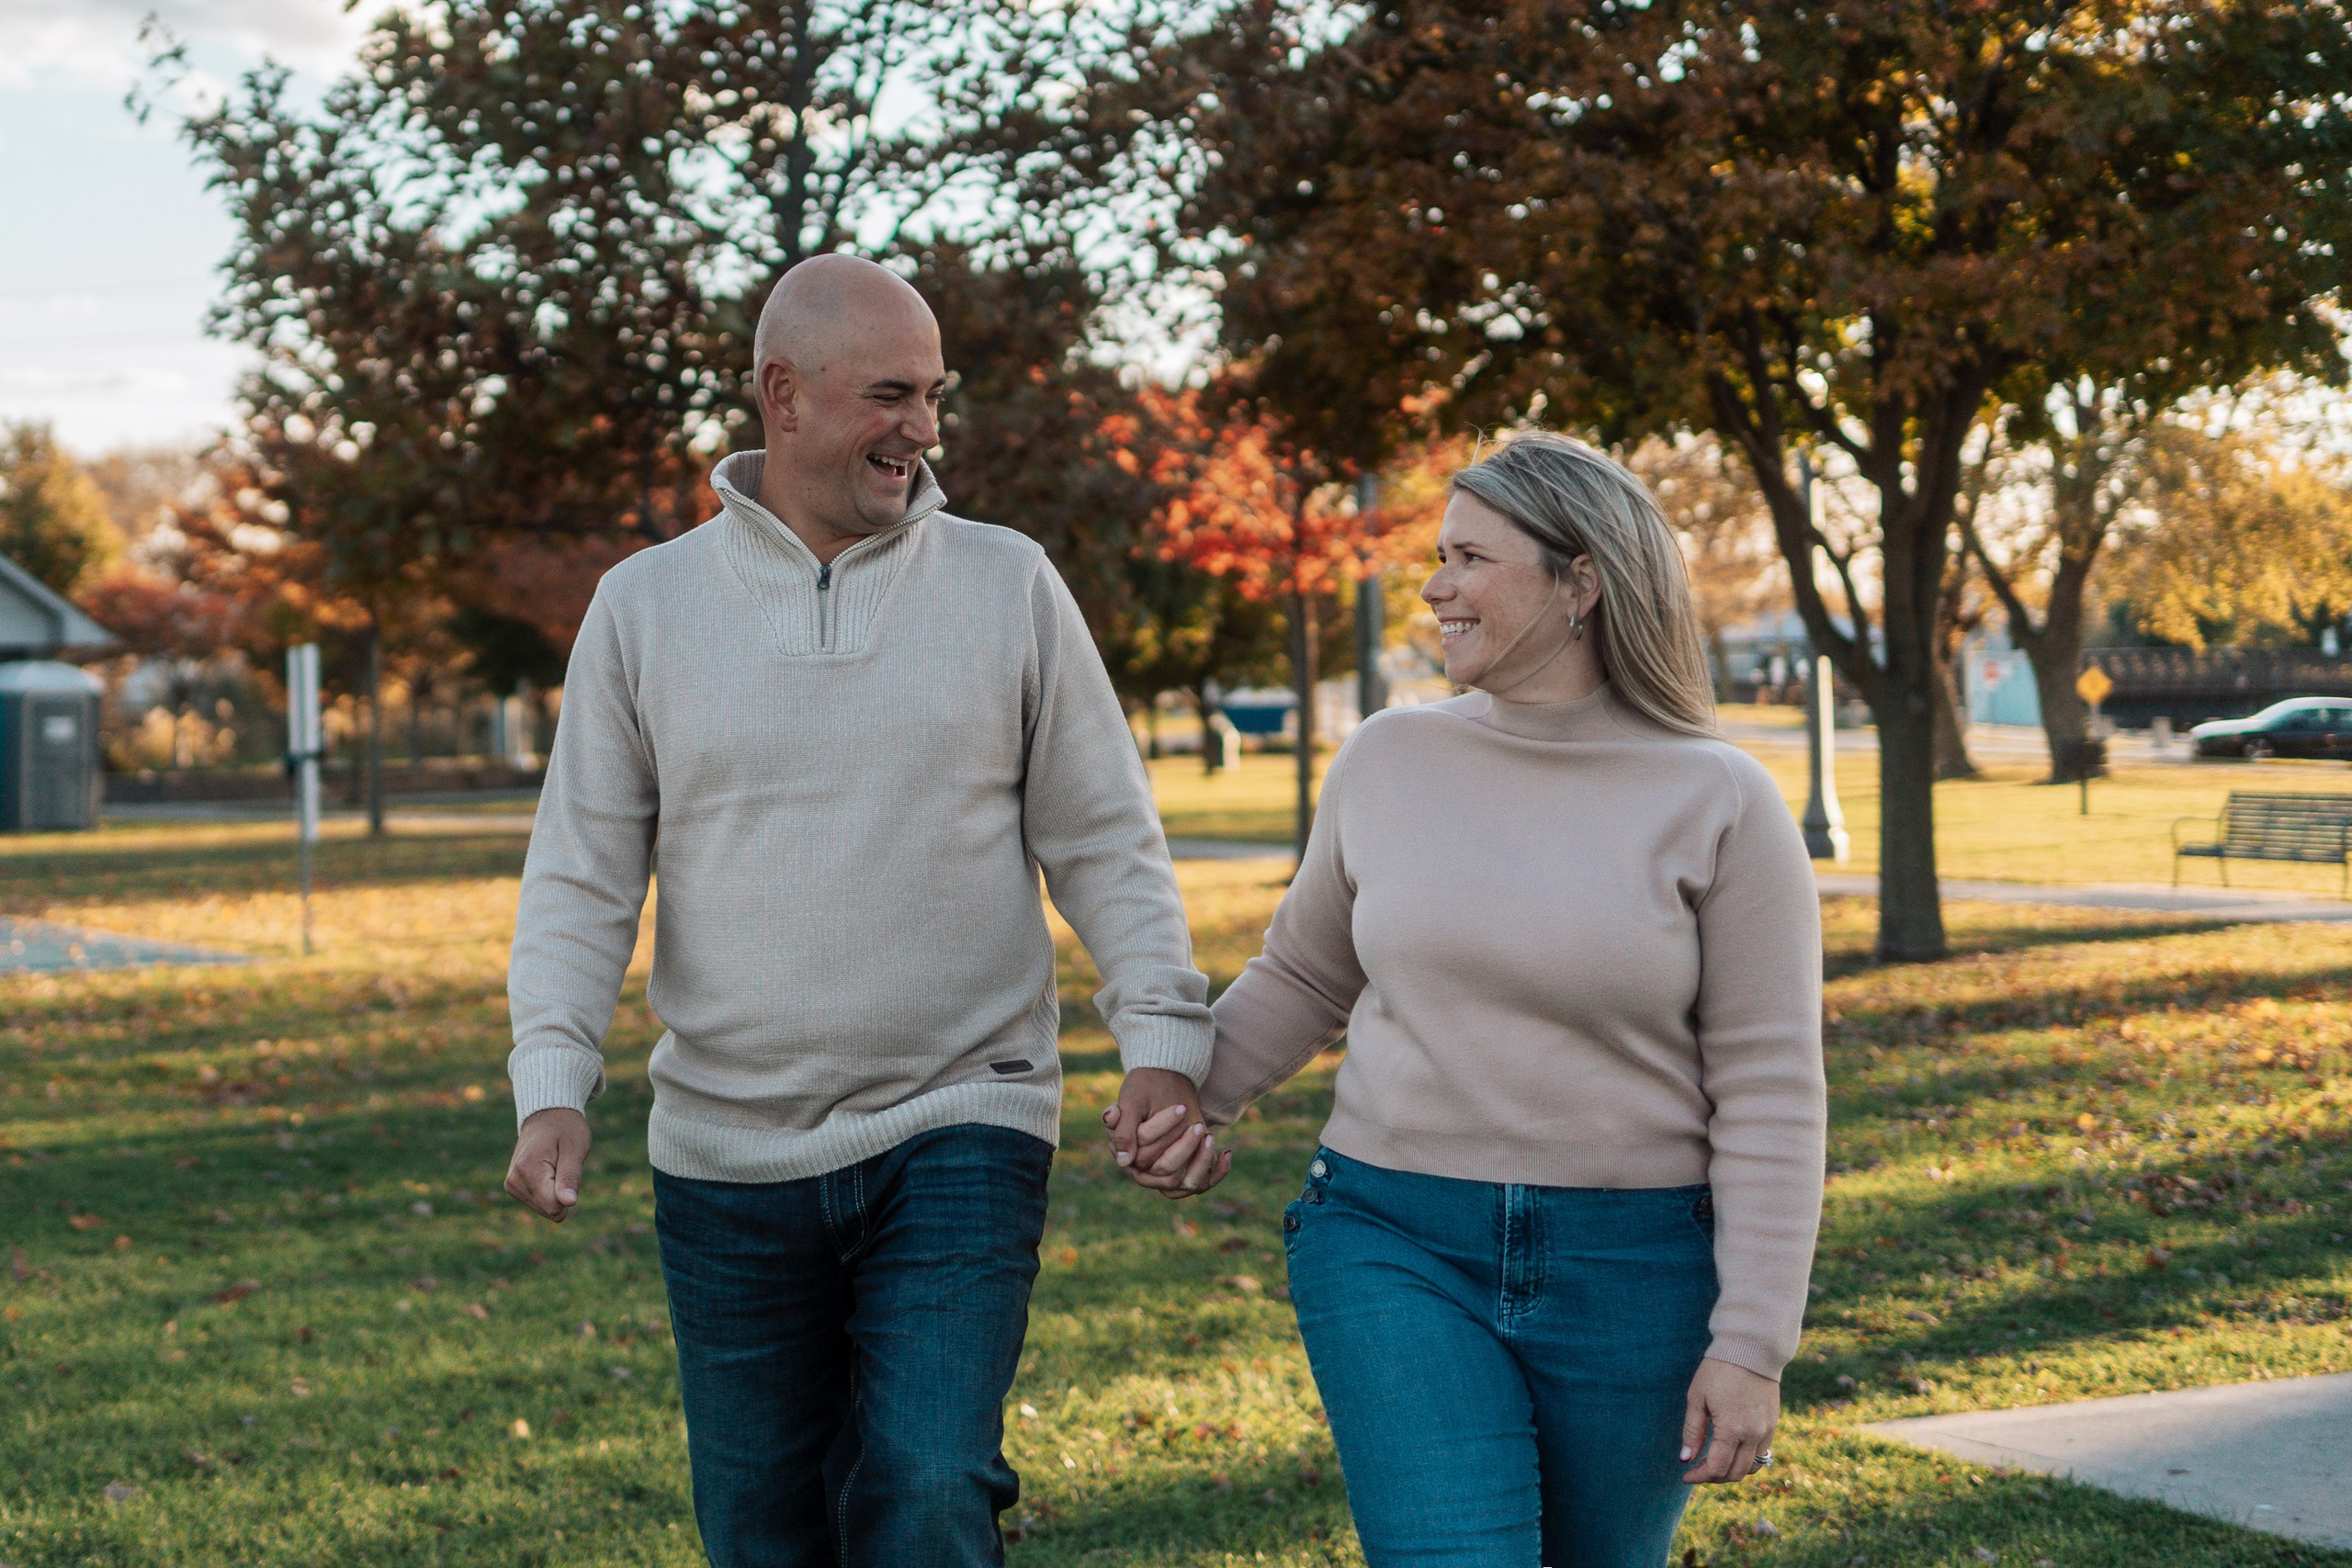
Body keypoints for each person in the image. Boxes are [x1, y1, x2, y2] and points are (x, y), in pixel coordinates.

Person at [501, 254, 1218, 1568]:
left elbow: (1105, 834)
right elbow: (584, 867)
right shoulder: (643, 607)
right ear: (785, 394)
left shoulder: (1008, 583)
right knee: (762, 1529)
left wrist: (1164, 1038)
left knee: (928, 1481)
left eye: (936, 396)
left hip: (962, 1112)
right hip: (724, 1149)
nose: (925, 431)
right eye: (892, 393)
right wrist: (554, 1075)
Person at [1108, 430, 1826, 1567]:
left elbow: (1773, 1092)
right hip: (1394, 1238)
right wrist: (1194, 1102)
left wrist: (1751, 1345)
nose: (1432, 587)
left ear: (1579, 580)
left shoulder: (1720, 800)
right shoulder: (1387, 759)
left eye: (1469, 559)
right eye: (1435, 555)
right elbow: (1303, 972)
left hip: (1635, 1270)